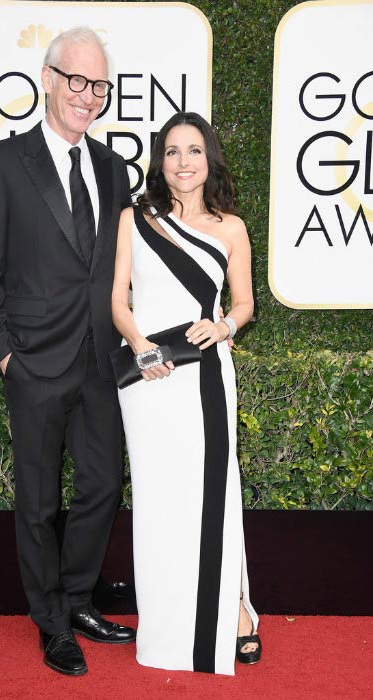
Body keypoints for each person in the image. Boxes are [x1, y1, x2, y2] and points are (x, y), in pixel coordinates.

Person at [0, 27, 136, 677]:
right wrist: (2, 354)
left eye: (98, 85)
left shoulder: (117, 170)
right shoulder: (3, 164)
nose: (87, 96)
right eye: (76, 81)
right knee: (37, 502)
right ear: (47, 77)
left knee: (100, 487)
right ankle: (53, 622)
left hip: (101, 360)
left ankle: (79, 595)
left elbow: (125, 267)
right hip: (33, 362)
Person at [111, 111, 261, 675]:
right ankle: (168, 627)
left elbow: (243, 304)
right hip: (148, 381)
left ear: (209, 158)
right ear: (160, 160)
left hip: (205, 379)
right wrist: (142, 347)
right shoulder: (135, 218)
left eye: (194, 150)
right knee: (158, 504)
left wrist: (222, 327)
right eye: (172, 151)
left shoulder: (231, 228)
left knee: (215, 496)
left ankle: (238, 612)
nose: (182, 162)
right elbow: (118, 301)